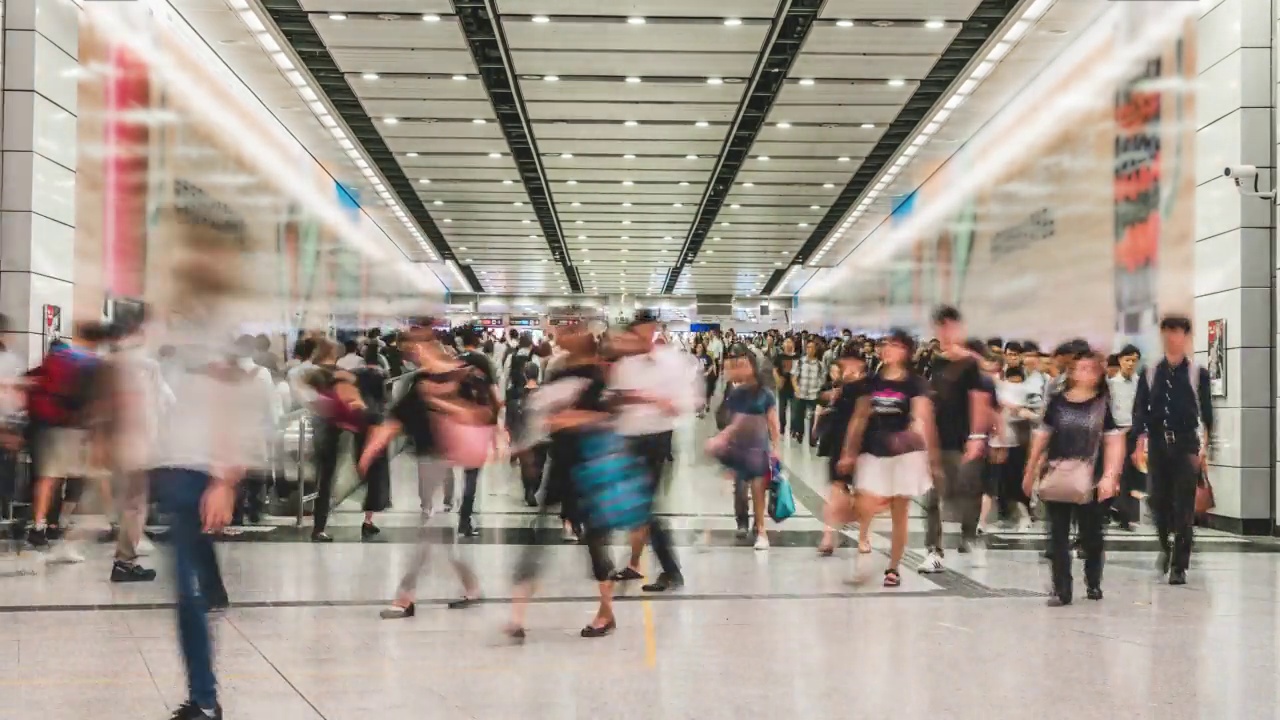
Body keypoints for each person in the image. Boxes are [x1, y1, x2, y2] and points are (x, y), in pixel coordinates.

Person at [151, 247, 246, 720]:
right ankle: (203, 697)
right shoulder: (181, 344)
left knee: (188, 596)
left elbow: (230, 412)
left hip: (199, 475)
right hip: (177, 473)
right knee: (192, 591)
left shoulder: (212, 345)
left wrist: (225, 479)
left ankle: (205, 700)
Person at [506, 325, 624, 640]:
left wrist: (569, 418)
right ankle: (517, 615)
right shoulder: (557, 371)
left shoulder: (601, 375)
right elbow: (540, 411)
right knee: (538, 537)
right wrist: (528, 443)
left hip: (594, 466)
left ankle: (605, 611)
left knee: (597, 542)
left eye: (569, 332)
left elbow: (610, 417)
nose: (560, 336)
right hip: (562, 462)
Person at [360, 326, 484, 618]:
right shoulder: (419, 383)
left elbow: (480, 414)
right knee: (438, 534)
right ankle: (472, 587)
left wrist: (442, 401)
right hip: (428, 465)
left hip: (446, 466)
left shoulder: (464, 375)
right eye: (409, 350)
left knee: (428, 532)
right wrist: (371, 450)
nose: (412, 354)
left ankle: (405, 597)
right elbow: (395, 420)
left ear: (432, 345)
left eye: (416, 348)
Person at [1023, 351, 1124, 606]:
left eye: (1091, 368)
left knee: (1091, 534)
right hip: (1058, 472)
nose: (1085, 373)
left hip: (1092, 477)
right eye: (1080, 368)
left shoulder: (1102, 404)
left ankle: (1093, 581)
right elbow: (1043, 435)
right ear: (1072, 372)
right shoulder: (1057, 402)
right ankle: (1061, 589)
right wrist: (1030, 469)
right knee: (1057, 534)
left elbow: (1113, 441)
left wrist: (1110, 476)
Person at [839, 330, 936, 586]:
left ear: (905, 351)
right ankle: (870, 521)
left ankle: (893, 567)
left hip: (903, 454)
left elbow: (921, 416)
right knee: (863, 502)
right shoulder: (873, 380)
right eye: (884, 344)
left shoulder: (915, 383)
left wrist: (919, 439)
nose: (887, 349)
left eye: (894, 345)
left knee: (899, 511)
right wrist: (849, 452)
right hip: (874, 450)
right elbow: (859, 417)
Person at [610, 311, 697, 591]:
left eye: (649, 332)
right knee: (637, 507)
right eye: (639, 333)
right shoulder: (624, 365)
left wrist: (664, 402)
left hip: (655, 438)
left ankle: (671, 570)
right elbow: (615, 398)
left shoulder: (672, 362)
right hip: (627, 440)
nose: (645, 339)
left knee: (644, 507)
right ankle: (637, 563)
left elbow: (689, 400)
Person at [1133, 315, 1213, 586]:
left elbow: (1207, 415)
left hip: (1186, 445)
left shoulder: (1196, 373)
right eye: (1167, 332)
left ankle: (1180, 564)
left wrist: (1205, 451)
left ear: (1186, 337)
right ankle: (1166, 548)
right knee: (1158, 502)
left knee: (1184, 508)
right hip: (1157, 444)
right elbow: (1140, 409)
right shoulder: (1151, 372)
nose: (1171, 337)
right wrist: (1139, 441)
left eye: (1177, 332)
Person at [920, 306, 993, 573]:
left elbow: (979, 400)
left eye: (950, 327)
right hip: (938, 439)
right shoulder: (935, 361)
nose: (946, 333)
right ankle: (933, 550)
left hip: (964, 439)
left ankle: (971, 539)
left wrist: (976, 436)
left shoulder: (971, 364)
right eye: (941, 328)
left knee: (968, 494)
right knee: (932, 498)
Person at [707, 351, 780, 551]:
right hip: (739, 448)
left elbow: (773, 422)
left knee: (758, 489)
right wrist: (722, 439)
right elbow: (733, 422)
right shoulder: (736, 394)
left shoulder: (766, 394)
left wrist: (776, 447)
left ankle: (761, 529)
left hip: (759, 447)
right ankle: (742, 521)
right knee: (740, 489)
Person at [445, 327, 501, 536]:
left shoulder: (455, 360)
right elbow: (494, 395)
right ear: (476, 340)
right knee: (471, 474)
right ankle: (464, 520)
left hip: (457, 421)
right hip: (478, 422)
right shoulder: (484, 361)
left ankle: (450, 502)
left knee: (455, 468)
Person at [817, 349, 868, 555]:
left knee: (863, 493)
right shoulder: (841, 386)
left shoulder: (867, 387)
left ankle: (864, 537)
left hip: (864, 444)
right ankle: (828, 536)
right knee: (836, 490)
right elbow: (823, 399)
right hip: (838, 442)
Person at [353, 345, 391, 539]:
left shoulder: (355, 375)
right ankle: (368, 518)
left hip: (359, 424)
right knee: (377, 473)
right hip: (376, 424)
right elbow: (385, 399)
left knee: (366, 469)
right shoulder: (380, 375)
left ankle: (368, 514)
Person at [1108, 344, 1142, 530]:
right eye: (1127, 360)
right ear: (1120, 360)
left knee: (1131, 474)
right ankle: (1117, 510)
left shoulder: (1141, 383)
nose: (1130, 364)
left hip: (1134, 432)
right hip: (1116, 433)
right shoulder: (1112, 384)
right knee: (1118, 472)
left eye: (1134, 360)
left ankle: (1125, 514)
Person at [790, 339, 825, 444]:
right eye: (808, 347)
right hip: (801, 393)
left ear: (816, 350)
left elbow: (822, 379)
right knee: (798, 416)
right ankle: (799, 434)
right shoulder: (800, 362)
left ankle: (812, 438)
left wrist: (818, 388)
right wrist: (796, 388)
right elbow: (794, 376)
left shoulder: (820, 364)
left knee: (814, 418)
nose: (810, 350)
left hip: (814, 395)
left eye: (812, 348)